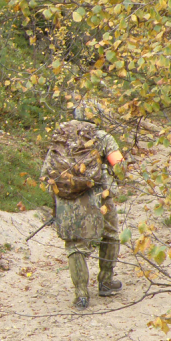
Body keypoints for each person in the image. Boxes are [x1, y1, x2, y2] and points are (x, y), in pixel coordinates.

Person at [40, 103, 125, 309]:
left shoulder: (60, 137)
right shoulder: (101, 136)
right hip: (97, 193)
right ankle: (105, 282)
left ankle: (81, 294)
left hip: (67, 197)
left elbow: (46, 172)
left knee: (75, 244)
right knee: (110, 234)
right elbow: (119, 164)